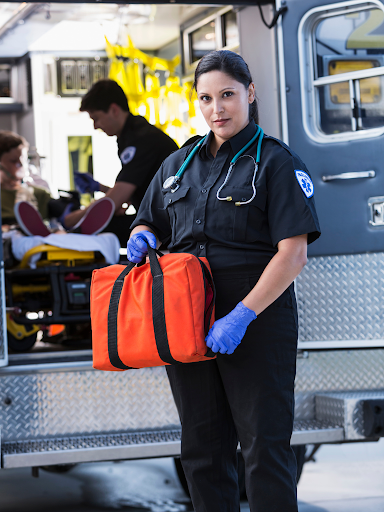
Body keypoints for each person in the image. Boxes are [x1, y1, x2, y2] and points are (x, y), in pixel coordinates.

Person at [126, 50, 321, 512]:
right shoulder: (178, 163)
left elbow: (293, 255)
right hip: (187, 318)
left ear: (250, 94)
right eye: (207, 98)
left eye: (228, 95)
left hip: (255, 320)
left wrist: (242, 315)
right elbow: (148, 219)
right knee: (201, 450)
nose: (218, 108)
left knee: (265, 450)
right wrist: (142, 233)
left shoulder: (275, 162)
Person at [63, 79, 179, 246]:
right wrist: (100, 188)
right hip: (158, 219)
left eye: (96, 118)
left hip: (169, 227)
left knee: (94, 228)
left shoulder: (142, 139)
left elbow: (113, 202)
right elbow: (134, 193)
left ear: (114, 110)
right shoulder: (130, 136)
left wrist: (70, 220)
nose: (95, 126)